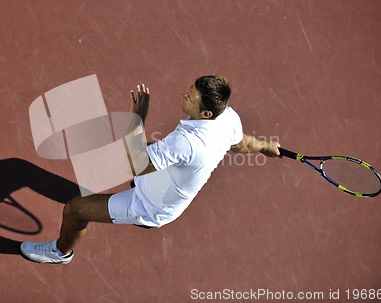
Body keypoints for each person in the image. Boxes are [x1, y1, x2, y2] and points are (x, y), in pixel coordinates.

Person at [20, 75, 281, 264]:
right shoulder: (228, 117)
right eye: (189, 91)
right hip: (159, 177)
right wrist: (265, 146)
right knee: (140, 148)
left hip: (150, 205)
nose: (184, 97)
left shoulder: (187, 142)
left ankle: (60, 252)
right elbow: (243, 143)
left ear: (207, 114)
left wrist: (138, 119)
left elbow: (136, 164)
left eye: (190, 98)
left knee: (75, 209)